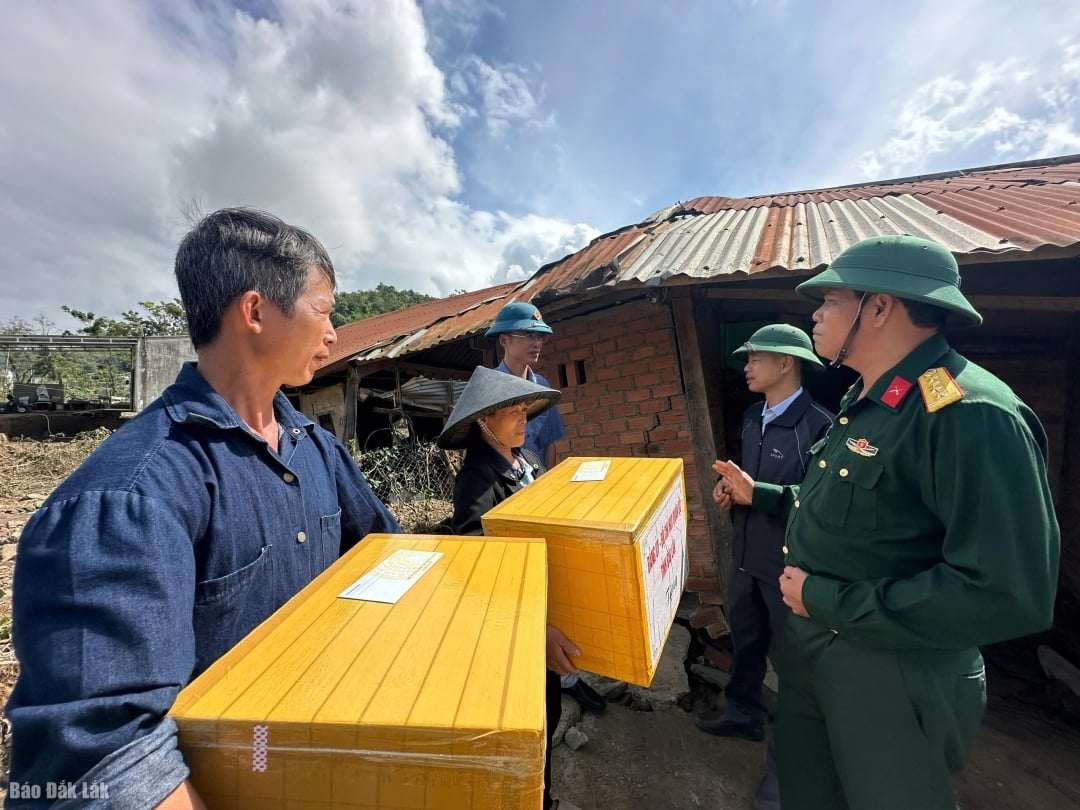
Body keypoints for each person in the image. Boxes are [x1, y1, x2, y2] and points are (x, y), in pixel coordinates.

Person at [7, 208, 401, 809]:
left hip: (310, 761)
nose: (333, 332)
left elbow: (387, 553)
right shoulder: (130, 497)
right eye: (323, 310)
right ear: (255, 311)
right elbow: (102, 759)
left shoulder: (316, 448)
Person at [714, 234, 1061, 810]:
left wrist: (826, 599)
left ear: (879, 307)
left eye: (830, 300)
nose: (815, 314)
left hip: (892, 675)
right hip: (817, 657)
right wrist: (765, 495)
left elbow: (1006, 591)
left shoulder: (969, 413)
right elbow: (851, 508)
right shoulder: (869, 398)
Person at [697, 324, 832, 809]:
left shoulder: (821, 427)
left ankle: (787, 773)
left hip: (788, 569)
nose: (747, 366)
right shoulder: (753, 417)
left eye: (755, 358)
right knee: (748, 644)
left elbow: (824, 506)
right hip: (746, 558)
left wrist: (759, 495)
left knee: (794, 671)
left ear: (786, 363)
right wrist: (730, 490)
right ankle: (744, 713)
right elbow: (750, 483)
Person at [438, 365, 582, 810]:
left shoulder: (529, 461)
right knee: (528, 721)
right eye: (513, 412)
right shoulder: (477, 481)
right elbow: (480, 567)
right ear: (485, 421)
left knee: (549, 711)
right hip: (514, 623)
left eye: (525, 410)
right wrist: (534, 627)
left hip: (544, 602)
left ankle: (544, 798)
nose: (524, 420)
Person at [485, 301, 606, 714]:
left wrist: (550, 496)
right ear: (504, 340)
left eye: (540, 336)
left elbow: (551, 444)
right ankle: (526, 675)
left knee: (554, 587)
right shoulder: (489, 389)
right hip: (506, 498)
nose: (536, 343)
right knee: (516, 590)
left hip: (539, 495)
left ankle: (566, 673)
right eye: (527, 335)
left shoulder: (542, 385)